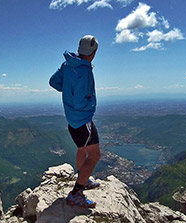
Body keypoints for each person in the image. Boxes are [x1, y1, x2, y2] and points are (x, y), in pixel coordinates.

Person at [49, 35, 102, 208]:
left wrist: (67, 91)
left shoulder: (67, 65)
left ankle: (83, 180)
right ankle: (76, 193)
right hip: (82, 118)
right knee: (95, 155)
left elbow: (54, 82)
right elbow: (81, 100)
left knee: (82, 148)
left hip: (71, 118)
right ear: (93, 53)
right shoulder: (84, 70)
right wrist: (85, 103)